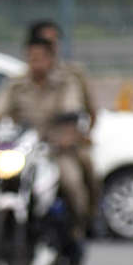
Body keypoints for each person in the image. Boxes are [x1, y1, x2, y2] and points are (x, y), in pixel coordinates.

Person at [0, 36, 90, 239]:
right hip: (24, 148)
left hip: (55, 148)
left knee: (72, 181)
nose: (35, 63)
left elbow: (73, 108)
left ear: (51, 59)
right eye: (31, 58)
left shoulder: (65, 83)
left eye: (39, 58)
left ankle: (78, 228)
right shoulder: (17, 84)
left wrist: (68, 134)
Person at [27, 19, 100, 214]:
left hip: (63, 144)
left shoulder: (70, 77)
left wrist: (80, 135)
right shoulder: (21, 80)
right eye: (45, 41)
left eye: (54, 41)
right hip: (29, 148)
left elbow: (87, 109)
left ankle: (86, 220)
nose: (52, 46)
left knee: (80, 177)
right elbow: (0, 111)